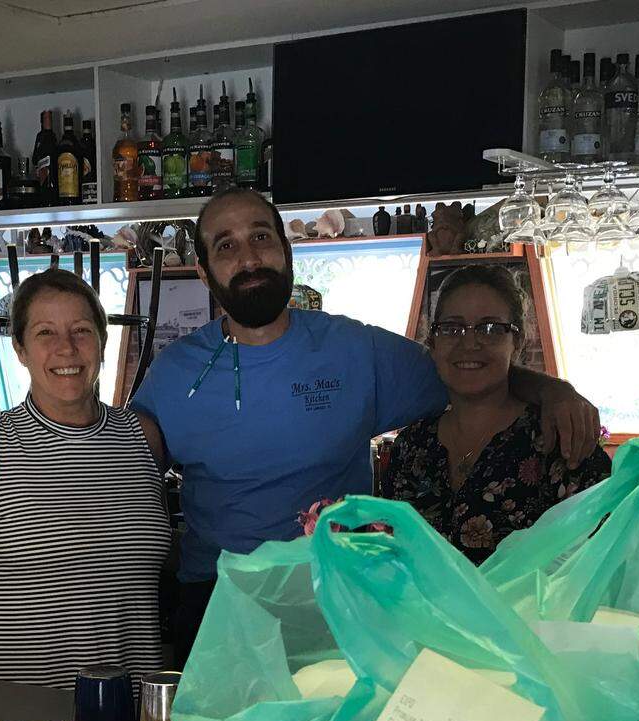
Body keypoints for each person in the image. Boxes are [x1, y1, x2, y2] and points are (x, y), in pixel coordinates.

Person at [132, 186, 602, 664]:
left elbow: (466, 367)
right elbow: (116, 461)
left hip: (337, 601)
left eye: (261, 237)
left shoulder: (357, 350)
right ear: (204, 272)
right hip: (219, 604)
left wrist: (553, 391)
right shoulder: (173, 374)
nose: (249, 258)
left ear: (287, 252)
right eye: (226, 246)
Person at [0, 268, 170, 689]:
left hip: (126, 715)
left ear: (102, 342)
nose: (66, 348)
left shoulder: (142, 438)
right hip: (12, 715)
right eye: (45, 333)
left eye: (81, 331)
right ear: (20, 349)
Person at [383, 264, 611, 564]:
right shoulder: (412, 448)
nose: (469, 342)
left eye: (490, 328)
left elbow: (601, 568)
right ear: (433, 342)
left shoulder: (558, 442)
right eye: (452, 328)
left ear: (517, 342)